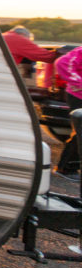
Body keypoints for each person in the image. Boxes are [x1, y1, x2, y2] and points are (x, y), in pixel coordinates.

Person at [54, 46, 82, 178]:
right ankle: (66, 168)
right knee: (80, 132)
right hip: (78, 96)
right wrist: (79, 83)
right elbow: (62, 63)